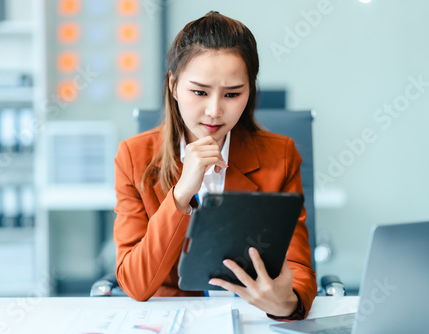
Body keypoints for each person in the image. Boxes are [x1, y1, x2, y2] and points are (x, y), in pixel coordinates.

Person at [113, 11, 316, 320]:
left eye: (233, 94)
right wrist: (180, 196)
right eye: (199, 91)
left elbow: (298, 268)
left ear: (250, 92)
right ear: (173, 85)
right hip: (172, 320)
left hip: (252, 316)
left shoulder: (281, 155)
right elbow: (135, 283)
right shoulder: (134, 156)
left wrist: (287, 304)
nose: (214, 111)